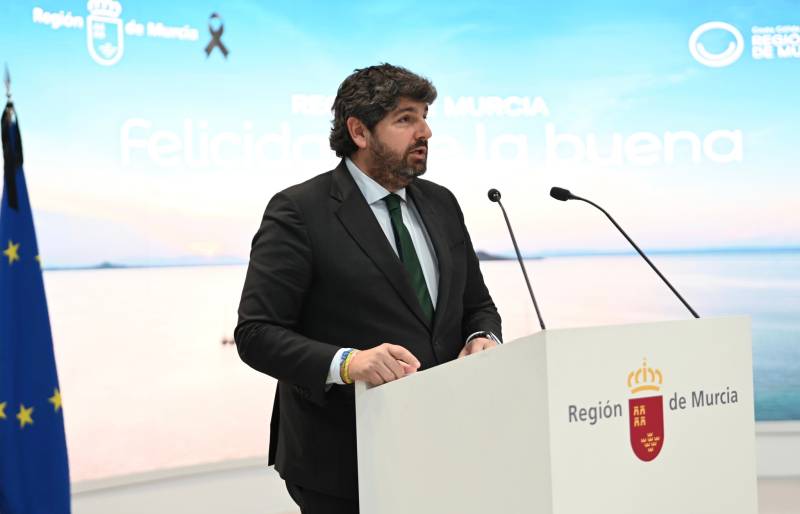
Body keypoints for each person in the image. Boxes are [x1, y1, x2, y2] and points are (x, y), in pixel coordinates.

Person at [235, 63, 502, 514]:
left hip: (445, 445)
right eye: (406, 119)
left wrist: (483, 336)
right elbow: (256, 334)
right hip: (343, 460)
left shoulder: (442, 203)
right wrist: (347, 363)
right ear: (359, 131)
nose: (425, 131)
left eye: (425, 116)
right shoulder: (299, 210)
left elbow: (477, 304)